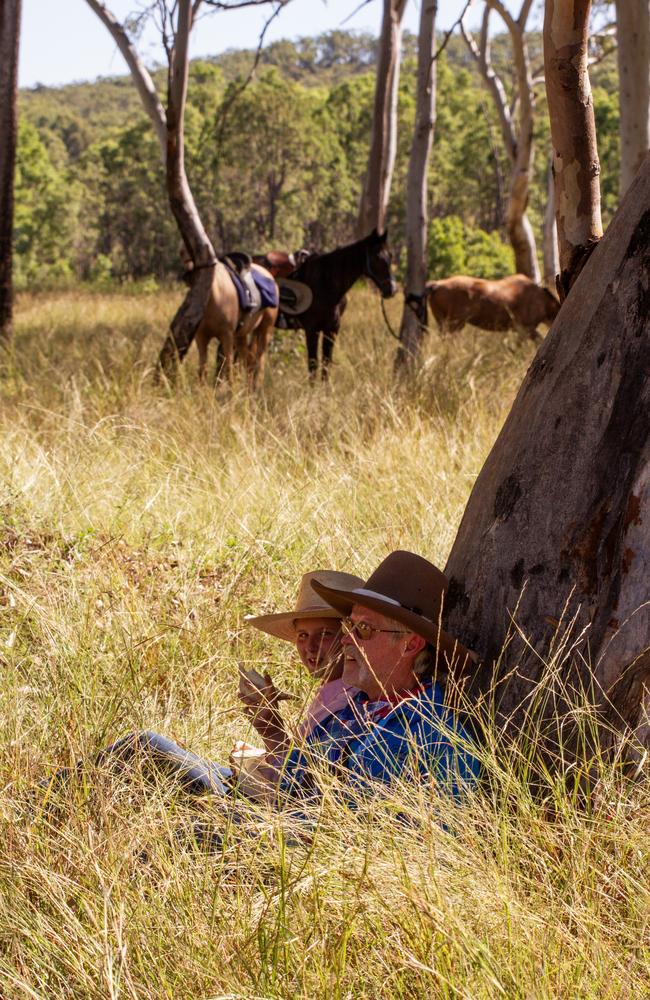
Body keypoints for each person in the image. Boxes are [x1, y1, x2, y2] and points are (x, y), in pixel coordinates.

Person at [39, 570, 363, 799]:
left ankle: (36, 801)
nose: (310, 648)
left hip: (266, 811)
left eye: (325, 635)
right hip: (258, 788)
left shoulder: (357, 697)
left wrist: (271, 728)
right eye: (303, 636)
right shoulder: (333, 689)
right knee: (146, 751)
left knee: (145, 745)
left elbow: (306, 788)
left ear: (350, 639)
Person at [262, 551, 481, 804]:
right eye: (348, 626)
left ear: (410, 645)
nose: (346, 639)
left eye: (364, 629)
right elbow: (285, 788)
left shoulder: (437, 741)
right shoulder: (346, 712)